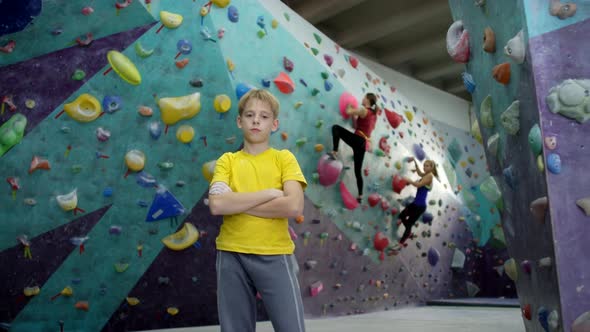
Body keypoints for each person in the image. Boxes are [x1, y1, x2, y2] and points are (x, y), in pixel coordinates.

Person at [208, 89, 307, 332]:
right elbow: (217, 205)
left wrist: (238, 204)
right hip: (231, 254)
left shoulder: (284, 159)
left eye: (263, 117)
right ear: (239, 121)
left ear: (274, 124)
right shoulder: (227, 161)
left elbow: (293, 206)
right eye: (250, 115)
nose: (255, 120)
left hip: (275, 254)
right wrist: (268, 194)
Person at [330, 92, 379, 203]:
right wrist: (354, 116)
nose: (362, 98)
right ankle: (360, 195)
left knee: (336, 128)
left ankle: (334, 151)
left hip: (358, 140)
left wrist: (349, 105)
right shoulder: (373, 115)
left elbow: (348, 111)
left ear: (367, 100)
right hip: (362, 144)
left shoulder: (363, 110)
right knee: (358, 171)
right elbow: (357, 126)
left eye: (364, 97)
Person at [396, 158, 438, 247]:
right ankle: (408, 233)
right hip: (417, 204)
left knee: (407, 221)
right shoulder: (426, 174)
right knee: (403, 217)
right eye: (424, 165)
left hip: (419, 206)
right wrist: (415, 161)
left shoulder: (430, 176)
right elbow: (419, 173)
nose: (424, 167)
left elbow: (418, 185)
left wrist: (409, 180)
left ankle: (402, 240)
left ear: (431, 167)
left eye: (426, 166)